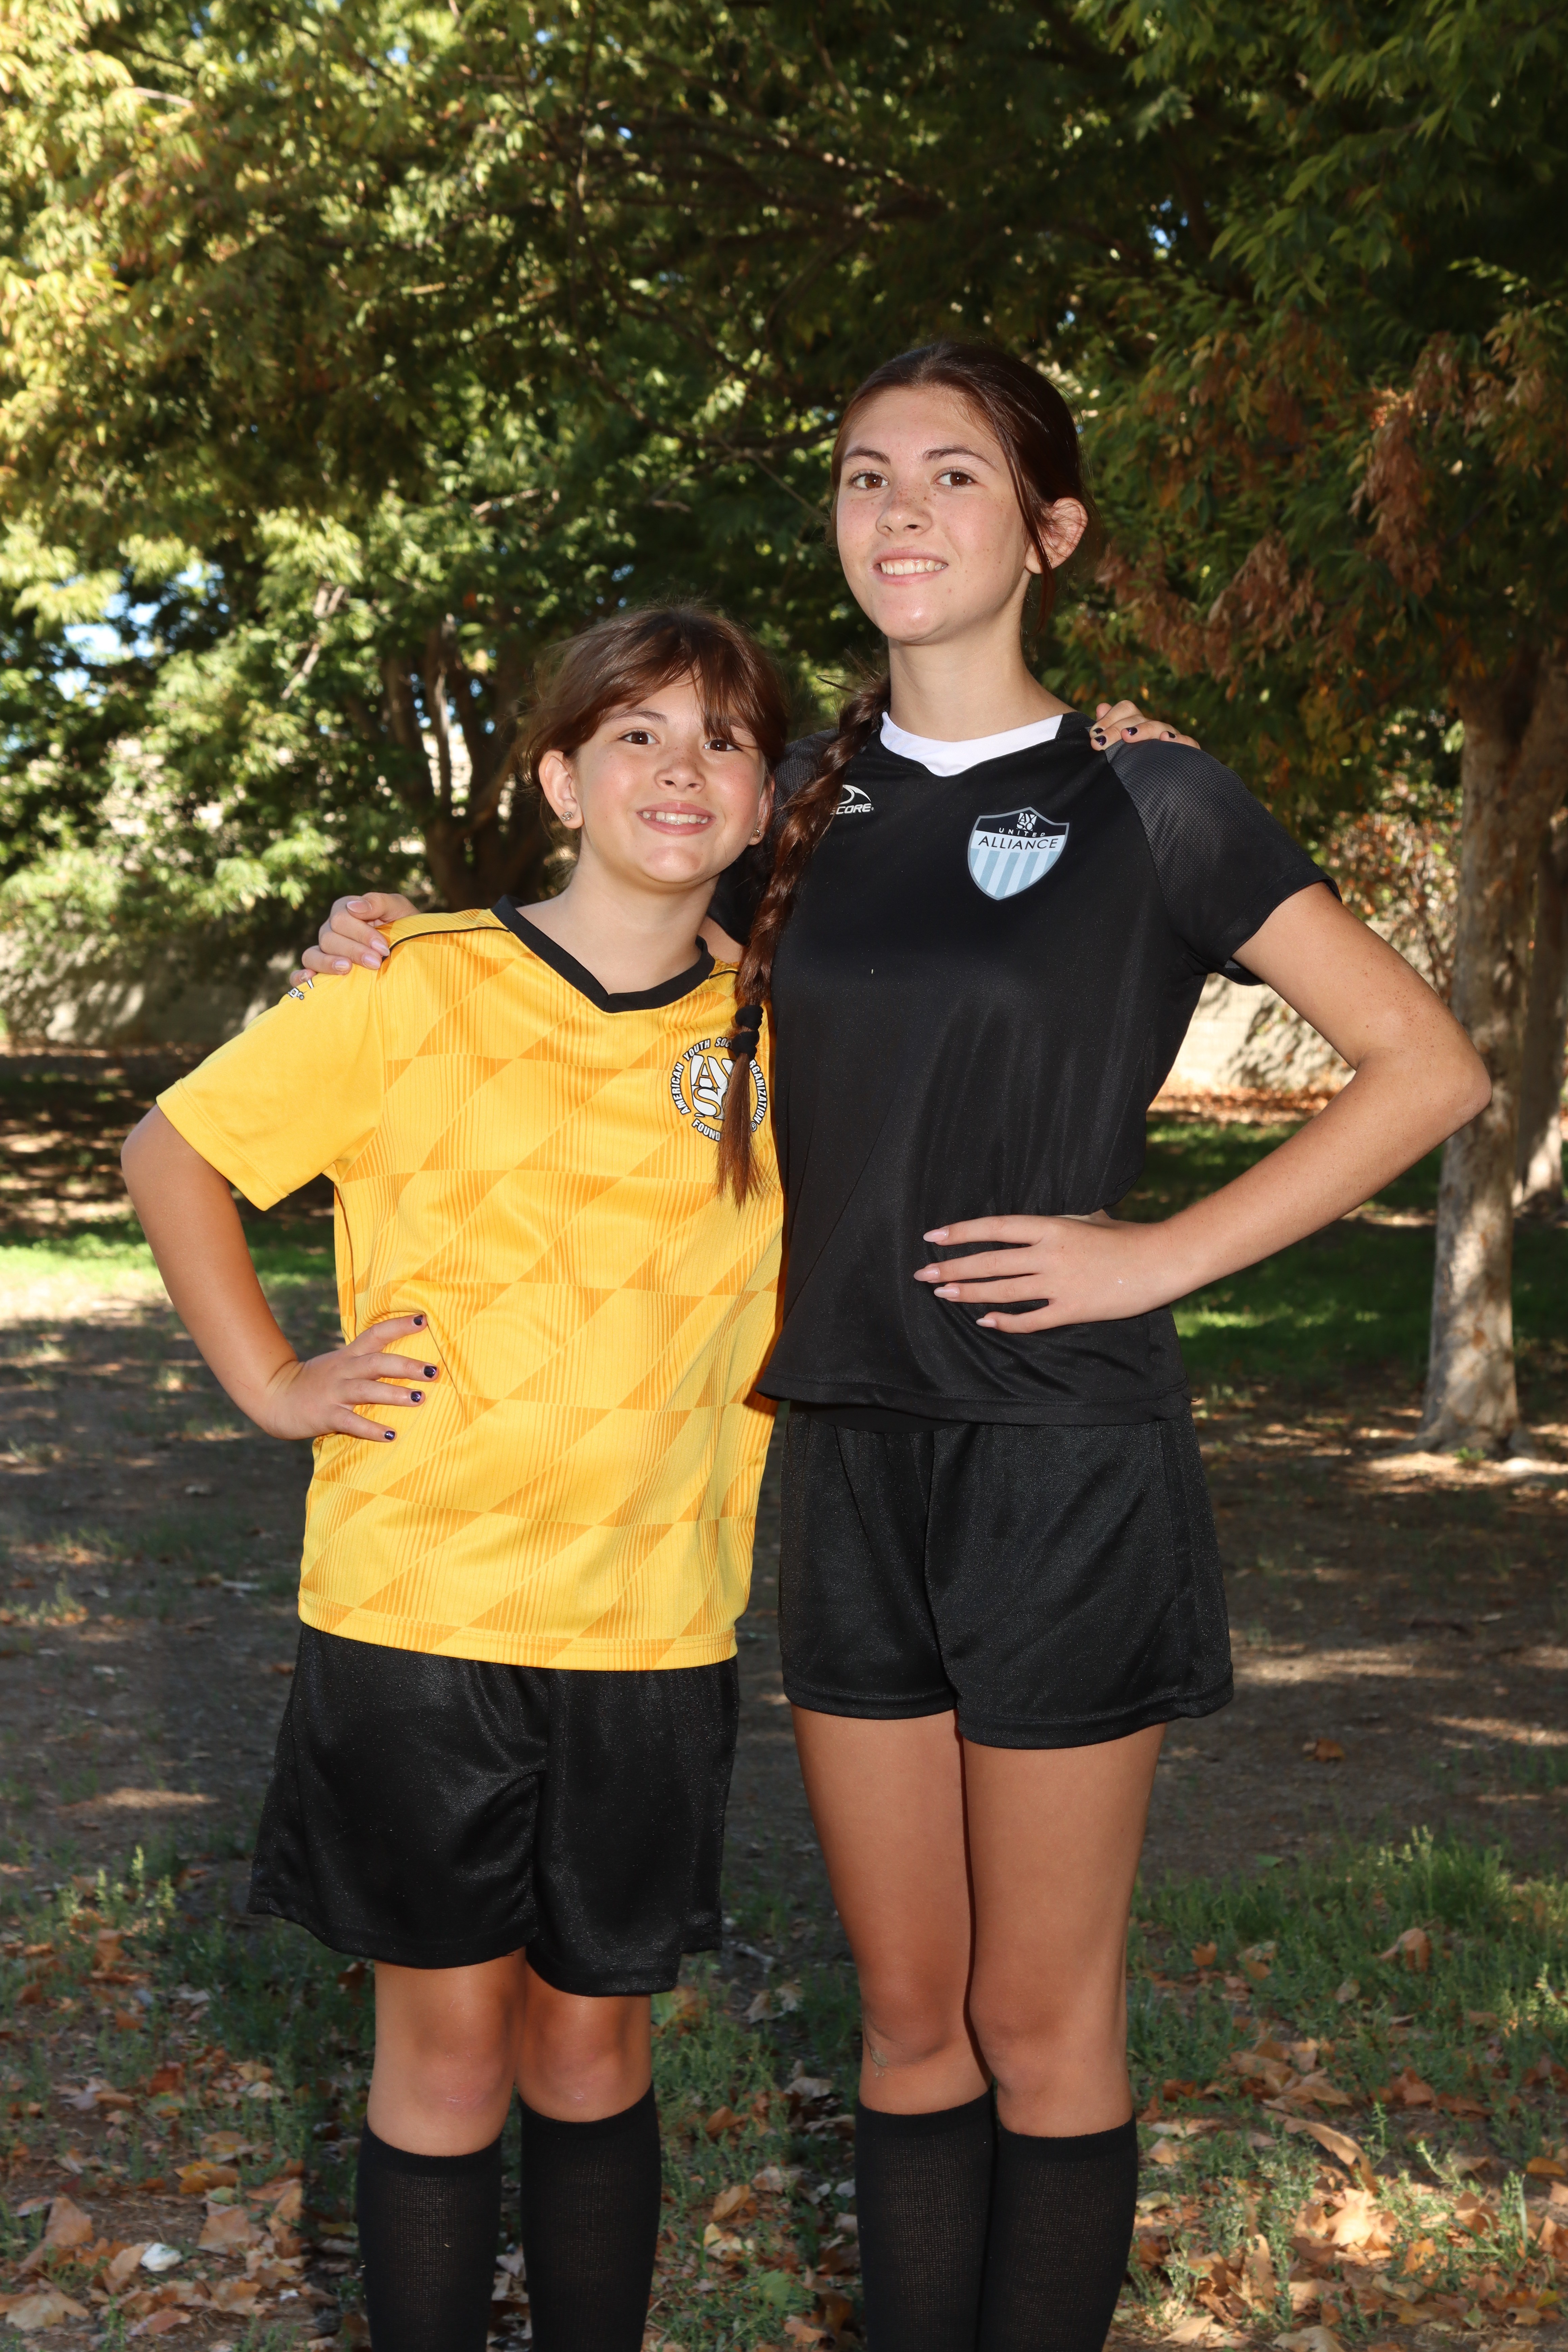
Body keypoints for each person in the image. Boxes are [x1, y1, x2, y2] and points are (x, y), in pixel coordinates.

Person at [294, 343, 1488, 2352]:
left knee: (1039, 2016)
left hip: (1060, 1467)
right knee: (912, 2015)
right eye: (866, 475)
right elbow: (593, 945)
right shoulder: (790, 808)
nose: (903, 511)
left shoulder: (1153, 795)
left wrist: (1158, 1256)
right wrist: (381, 933)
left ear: (1051, 529)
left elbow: (1426, 1066)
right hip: (845, 1458)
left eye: (955, 474)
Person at [121, 608, 791, 2352]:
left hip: (653, 1623)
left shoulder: (788, 1035)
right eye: (637, 735)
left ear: (763, 798)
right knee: (444, 2055)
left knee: (596, 2049)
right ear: (561, 779)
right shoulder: (411, 981)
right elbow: (172, 1153)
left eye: (724, 741)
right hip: (421, 1618)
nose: (682, 770)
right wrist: (277, 1383)